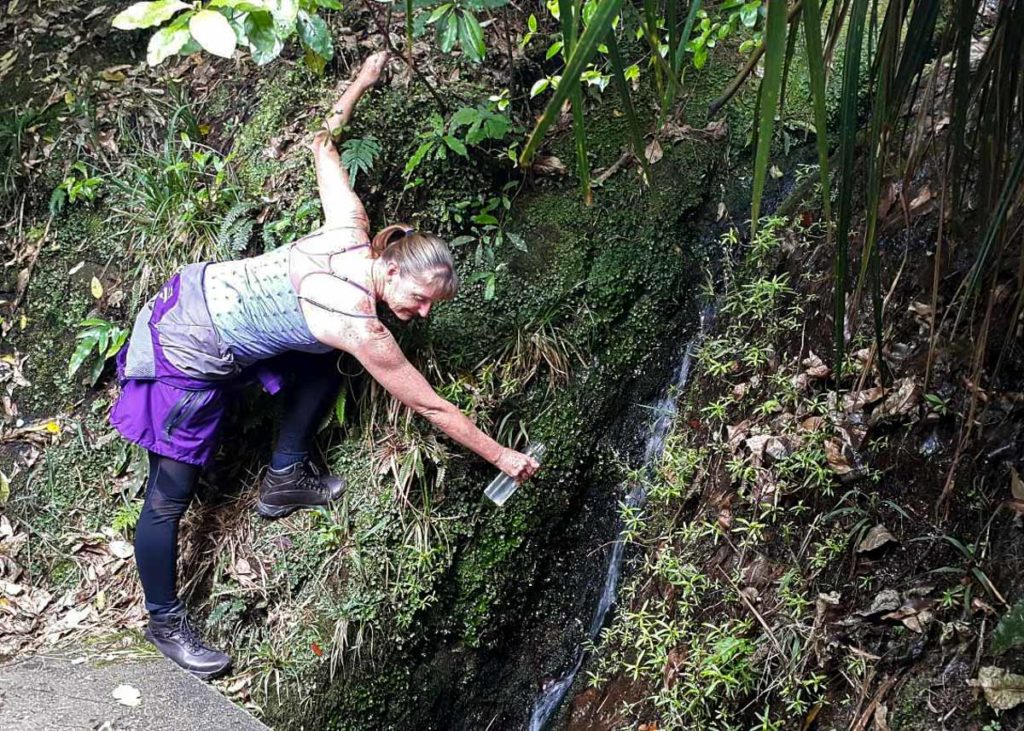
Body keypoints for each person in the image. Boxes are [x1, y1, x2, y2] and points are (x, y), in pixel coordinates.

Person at [109, 51, 540, 680]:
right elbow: (428, 404)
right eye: (417, 299)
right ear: (391, 268)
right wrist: (503, 457)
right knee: (169, 499)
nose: (418, 315)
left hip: (200, 296)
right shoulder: (361, 326)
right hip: (185, 347)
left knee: (321, 362)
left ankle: (284, 477)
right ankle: (164, 622)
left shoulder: (350, 227)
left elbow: (322, 144)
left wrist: (361, 82)